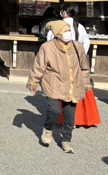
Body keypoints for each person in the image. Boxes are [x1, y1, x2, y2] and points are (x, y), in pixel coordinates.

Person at [27, 20, 91, 153]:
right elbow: (39, 66)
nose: (68, 33)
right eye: (65, 31)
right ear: (57, 33)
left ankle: (66, 140)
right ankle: (48, 129)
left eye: (69, 30)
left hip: (72, 84)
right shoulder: (47, 47)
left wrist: (86, 83)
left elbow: (84, 67)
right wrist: (33, 82)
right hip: (53, 83)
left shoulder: (77, 46)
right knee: (55, 110)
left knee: (70, 117)